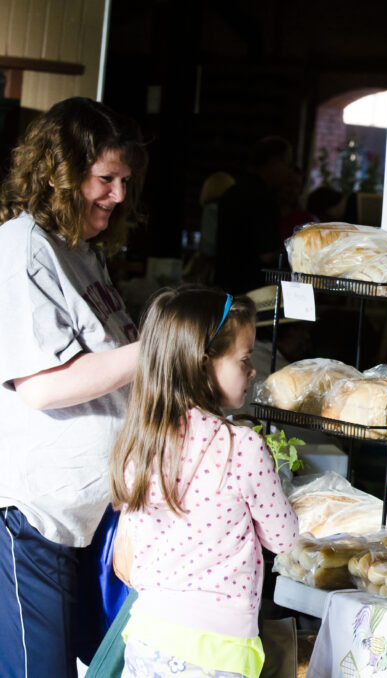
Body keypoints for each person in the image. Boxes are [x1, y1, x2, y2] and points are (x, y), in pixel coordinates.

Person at [0, 96, 146, 678]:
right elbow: (39, 385)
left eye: (124, 181)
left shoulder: (80, 251)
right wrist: (156, 349)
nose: (117, 195)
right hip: (34, 518)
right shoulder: (22, 249)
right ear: (59, 174)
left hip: (85, 520)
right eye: (104, 179)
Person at [109, 286, 298, 678]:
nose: (253, 370)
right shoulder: (243, 446)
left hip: (147, 639)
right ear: (204, 363)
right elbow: (285, 540)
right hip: (219, 653)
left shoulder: (140, 444)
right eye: (244, 359)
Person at [214, 136, 294, 293]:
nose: (289, 171)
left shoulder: (232, 192)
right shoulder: (264, 199)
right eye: (287, 164)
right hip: (252, 292)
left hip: (224, 287)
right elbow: (267, 255)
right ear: (274, 163)